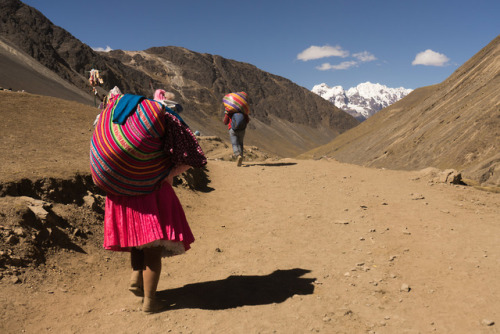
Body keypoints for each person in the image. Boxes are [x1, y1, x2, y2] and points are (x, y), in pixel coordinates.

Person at [90, 91, 206, 313]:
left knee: (137, 238)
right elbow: (189, 158)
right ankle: (151, 301)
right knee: (153, 247)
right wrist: (162, 172)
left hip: (121, 189)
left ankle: (136, 277)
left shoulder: (119, 114)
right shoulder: (166, 119)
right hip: (153, 191)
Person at [222, 92, 250, 166]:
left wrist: (226, 114)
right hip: (242, 130)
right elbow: (247, 121)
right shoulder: (243, 112)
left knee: (234, 144)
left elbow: (225, 122)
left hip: (232, 129)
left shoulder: (229, 112)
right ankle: (241, 158)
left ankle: (238, 155)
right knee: (240, 143)